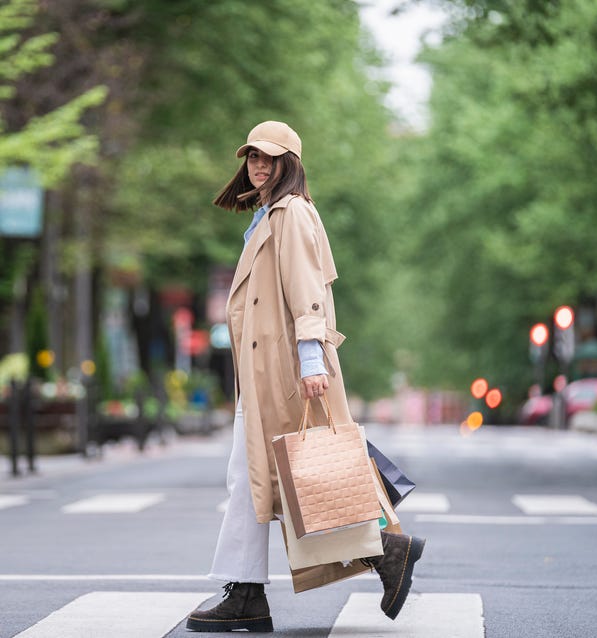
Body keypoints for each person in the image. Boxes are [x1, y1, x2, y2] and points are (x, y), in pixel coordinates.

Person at [187, 121, 425, 633]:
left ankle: (377, 551)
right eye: (253, 156)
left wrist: (312, 361)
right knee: (273, 482)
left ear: (290, 164)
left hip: (285, 372)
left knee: (290, 479)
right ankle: (255, 588)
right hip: (266, 371)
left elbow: (306, 289)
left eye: (270, 158)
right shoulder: (269, 213)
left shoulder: (292, 213)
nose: (258, 165)